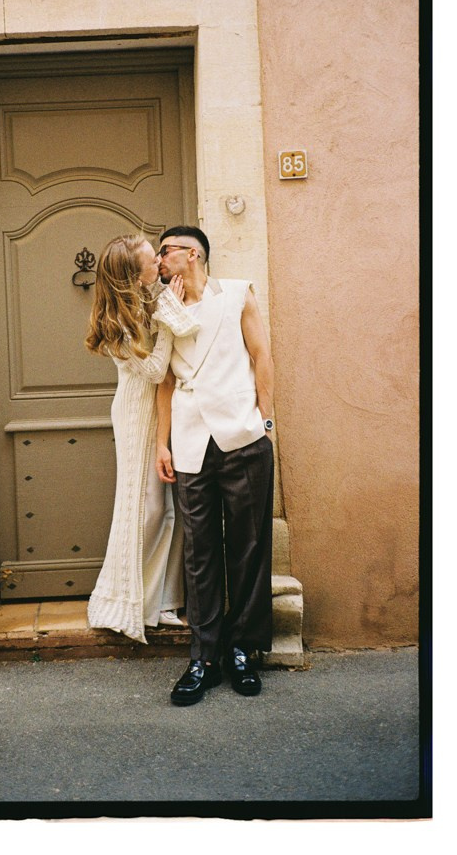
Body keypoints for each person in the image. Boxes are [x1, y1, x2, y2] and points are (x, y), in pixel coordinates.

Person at [155, 226, 275, 705]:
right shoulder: (161, 308)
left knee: (248, 546)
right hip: (189, 441)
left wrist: (266, 420)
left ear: (192, 254)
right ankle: (203, 658)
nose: (160, 259)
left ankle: (244, 649)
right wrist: (161, 443)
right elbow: (163, 380)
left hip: (242, 436)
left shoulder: (237, 294)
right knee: (198, 551)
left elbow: (261, 355)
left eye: (166, 251)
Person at [85, 233, 199, 643]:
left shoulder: (152, 299)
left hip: (165, 413)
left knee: (170, 510)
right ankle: (127, 600)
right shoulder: (115, 321)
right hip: (136, 415)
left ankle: (163, 601)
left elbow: (188, 329)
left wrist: (167, 310)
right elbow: (152, 371)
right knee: (146, 508)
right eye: (153, 260)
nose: (160, 264)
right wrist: (167, 318)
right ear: (134, 275)